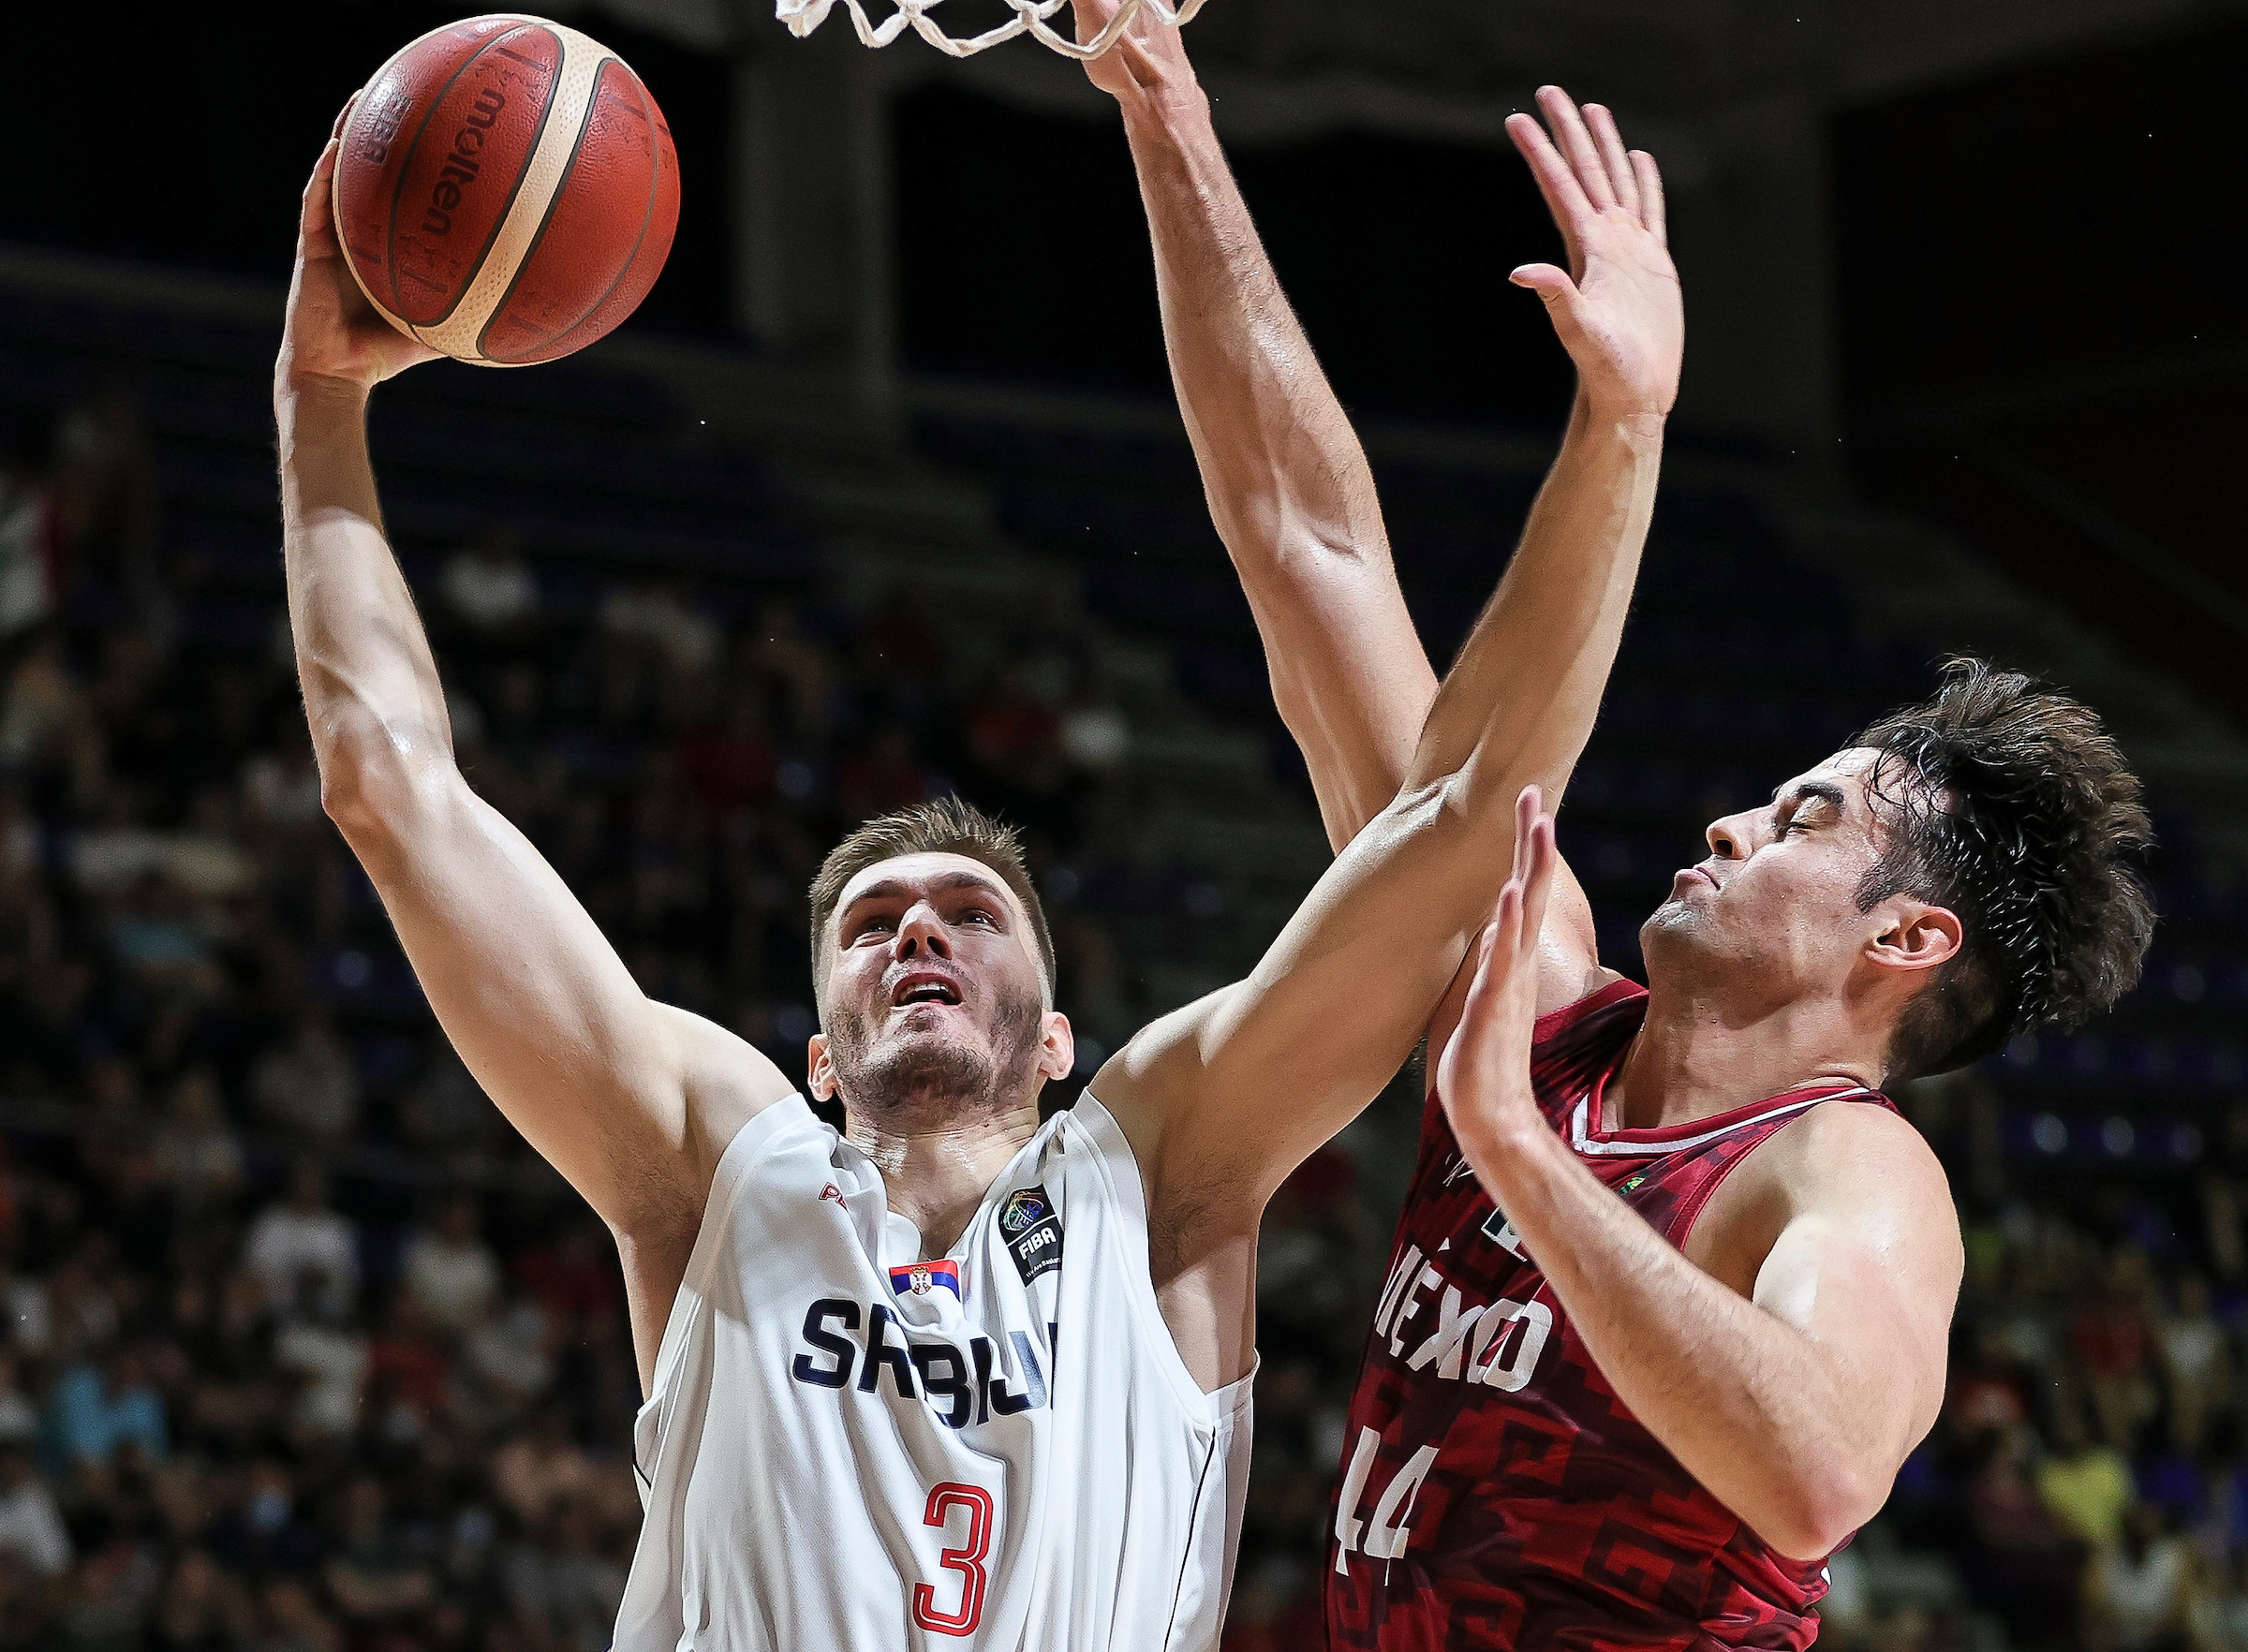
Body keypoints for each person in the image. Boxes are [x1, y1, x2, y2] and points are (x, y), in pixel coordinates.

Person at [275, 57, 1669, 1647]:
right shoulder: (718, 1164)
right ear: (816, 1053)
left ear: (1062, 1040)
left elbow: (1472, 811)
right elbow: (387, 787)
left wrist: (1621, 427)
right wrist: (320, 397)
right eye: (871, 923)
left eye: (968, 912)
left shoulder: (1159, 1168)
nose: (918, 932)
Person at [1077, 6, 2155, 1646]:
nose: (1726, 825)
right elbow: (1311, 551)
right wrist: (1163, 100)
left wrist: (1515, 1152)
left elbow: (1817, 1472)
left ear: (1909, 937)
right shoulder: (1536, 1004)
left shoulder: (1847, 1170)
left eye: (1800, 820)